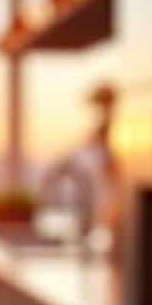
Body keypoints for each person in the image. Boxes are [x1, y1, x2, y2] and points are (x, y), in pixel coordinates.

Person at [38, 83, 120, 242]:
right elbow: (84, 147)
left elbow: (108, 161)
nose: (99, 111)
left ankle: (87, 227)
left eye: (101, 105)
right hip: (105, 195)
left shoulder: (118, 126)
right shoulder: (103, 128)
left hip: (113, 197)